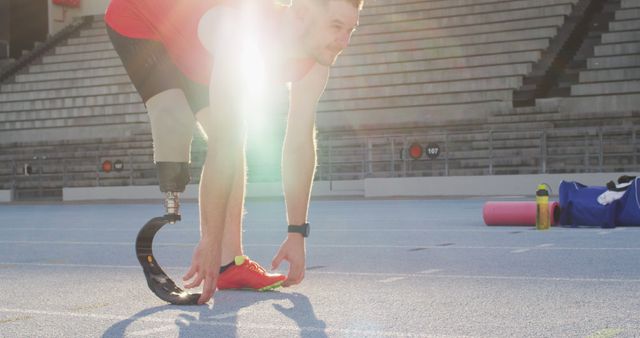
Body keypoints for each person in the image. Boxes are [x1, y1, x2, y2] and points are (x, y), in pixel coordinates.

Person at [105, 0, 362, 304]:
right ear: (302, 12)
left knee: (231, 133)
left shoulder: (317, 62)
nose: (344, 42)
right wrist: (210, 239)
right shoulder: (239, 37)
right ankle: (181, 213)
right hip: (139, 17)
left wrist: (297, 233)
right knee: (177, 117)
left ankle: (230, 264)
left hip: (196, 46)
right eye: (336, 26)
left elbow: (299, 144)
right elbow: (223, 145)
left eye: (350, 30)